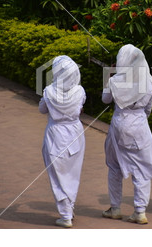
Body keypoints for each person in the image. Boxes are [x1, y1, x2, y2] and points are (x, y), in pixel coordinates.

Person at [102, 44, 152, 224]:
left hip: (118, 125)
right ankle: (139, 211)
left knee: (114, 166)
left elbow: (105, 100)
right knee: (142, 169)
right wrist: (139, 119)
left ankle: (115, 208)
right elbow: (148, 109)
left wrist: (109, 77)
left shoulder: (115, 81)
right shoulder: (149, 82)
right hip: (140, 125)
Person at [39, 55, 86, 228]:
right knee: (73, 172)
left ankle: (65, 214)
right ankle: (69, 208)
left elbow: (41, 109)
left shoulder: (49, 91)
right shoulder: (80, 91)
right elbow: (80, 109)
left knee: (57, 174)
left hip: (55, 133)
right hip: (75, 132)